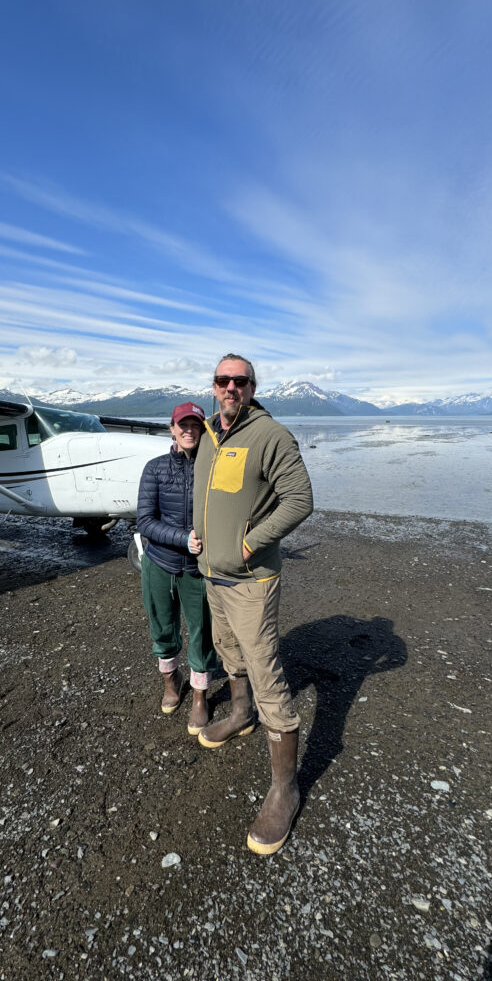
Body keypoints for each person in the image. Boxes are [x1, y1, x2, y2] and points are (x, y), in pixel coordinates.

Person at [191, 354, 313, 855]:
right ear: (214, 386)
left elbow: (300, 498)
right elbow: (209, 494)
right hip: (212, 576)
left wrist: (249, 543)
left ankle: (285, 787)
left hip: (250, 579)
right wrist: (201, 534)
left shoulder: (271, 435)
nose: (230, 388)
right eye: (222, 380)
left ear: (252, 386)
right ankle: (241, 714)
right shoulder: (209, 435)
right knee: (229, 651)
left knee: (266, 671)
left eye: (239, 381)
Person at [136, 401, 218, 735]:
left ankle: (200, 696)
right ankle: (172, 682)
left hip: (198, 569)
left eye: (195, 425)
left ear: (202, 430)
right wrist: (183, 539)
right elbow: (145, 521)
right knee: (163, 629)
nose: (188, 430)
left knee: (202, 634)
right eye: (182, 425)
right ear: (171, 428)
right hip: (159, 563)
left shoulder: (212, 469)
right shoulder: (154, 469)